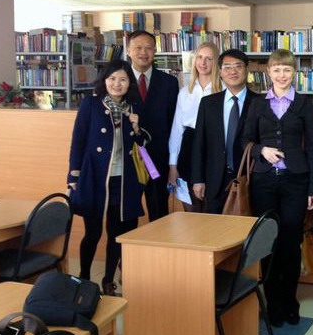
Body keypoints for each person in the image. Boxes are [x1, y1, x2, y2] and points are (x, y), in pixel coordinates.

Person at [243, 49, 313, 327]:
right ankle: (273, 302)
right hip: (264, 182)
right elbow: (245, 141)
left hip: (295, 182)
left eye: (287, 69)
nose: (282, 75)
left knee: (290, 242)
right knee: (269, 242)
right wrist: (261, 150)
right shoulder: (257, 104)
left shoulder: (304, 103)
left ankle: (290, 300)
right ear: (268, 73)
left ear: (294, 72)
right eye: (277, 70)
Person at [67, 60, 150, 296]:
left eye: (122, 79)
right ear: (104, 80)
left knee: (116, 234)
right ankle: (83, 278)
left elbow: (143, 144)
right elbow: (78, 140)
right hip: (95, 178)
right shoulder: (91, 104)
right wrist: (73, 175)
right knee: (92, 233)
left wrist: (136, 128)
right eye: (112, 79)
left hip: (123, 181)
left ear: (129, 83)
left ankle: (108, 280)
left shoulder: (133, 107)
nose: (117, 84)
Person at [191, 49, 257, 214]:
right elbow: (199, 143)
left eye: (238, 66)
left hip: (249, 179)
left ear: (247, 69)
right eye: (227, 67)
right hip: (214, 179)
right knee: (214, 227)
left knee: (247, 226)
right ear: (220, 72)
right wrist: (198, 179)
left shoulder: (260, 102)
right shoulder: (208, 103)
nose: (233, 71)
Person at [127, 30, 179, 221]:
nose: (143, 52)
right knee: (127, 213)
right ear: (128, 51)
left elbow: (174, 122)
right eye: (138, 48)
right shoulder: (118, 80)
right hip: (128, 157)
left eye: (148, 48)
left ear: (155, 51)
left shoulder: (169, 82)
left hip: (158, 157)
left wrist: (173, 160)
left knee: (159, 213)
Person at [168, 42, 222, 212]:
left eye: (209, 58)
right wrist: (172, 166)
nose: (203, 63)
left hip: (214, 148)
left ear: (216, 62)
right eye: (199, 57)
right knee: (191, 208)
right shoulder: (185, 92)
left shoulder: (223, 90)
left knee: (212, 208)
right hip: (189, 149)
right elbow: (177, 131)